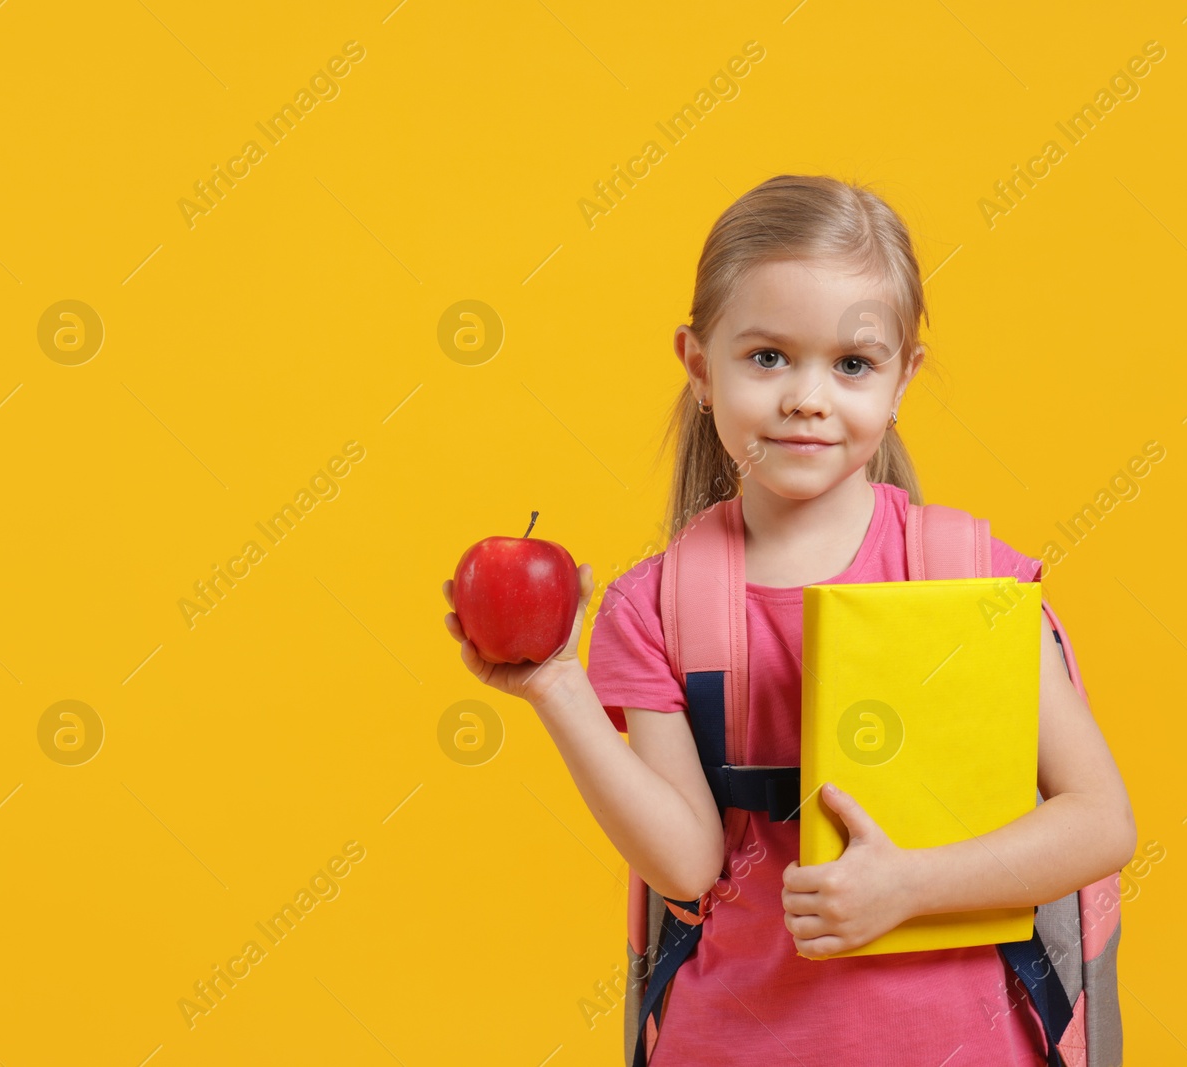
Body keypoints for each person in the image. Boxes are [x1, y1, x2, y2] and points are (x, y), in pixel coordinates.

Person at [442, 174, 1137, 1066]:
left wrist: (908, 886)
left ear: (901, 379)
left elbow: (1099, 820)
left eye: (852, 364)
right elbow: (690, 866)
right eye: (767, 356)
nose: (808, 396)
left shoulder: (969, 575)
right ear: (699, 366)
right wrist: (557, 687)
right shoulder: (654, 605)